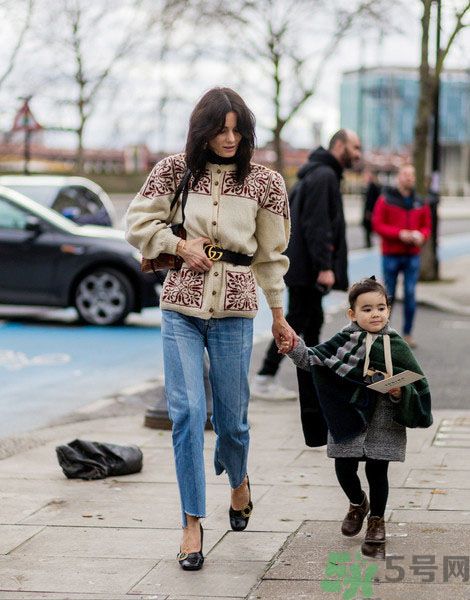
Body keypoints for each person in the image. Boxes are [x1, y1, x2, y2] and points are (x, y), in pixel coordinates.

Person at [125, 87, 296, 571]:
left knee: (233, 421)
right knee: (185, 414)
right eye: (220, 129)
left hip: (235, 312)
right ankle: (192, 522)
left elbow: (271, 257)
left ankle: (239, 481)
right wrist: (177, 247)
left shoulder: (266, 182)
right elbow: (137, 223)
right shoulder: (173, 170)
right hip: (180, 304)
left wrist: (279, 315)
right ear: (203, 129)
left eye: (237, 129)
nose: (229, 137)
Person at [279, 276, 432, 555]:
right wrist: (293, 346)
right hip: (347, 415)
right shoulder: (344, 340)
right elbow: (312, 360)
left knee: (377, 470)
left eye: (381, 307)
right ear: (352, 313)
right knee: (344, 467)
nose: (375, 314)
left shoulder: (396, 344)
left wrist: (400, 392)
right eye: (367, 309)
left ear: (388, 309)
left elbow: (419, 386)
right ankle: (358, 502)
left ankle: (377, 521)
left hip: (384, 418)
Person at [251, 130, 362, 427]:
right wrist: (325, 266)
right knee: (299, 320)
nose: (359, 153)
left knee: (310, 326)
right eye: (355, 147)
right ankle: (264, 377)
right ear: (338, 146)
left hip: (303, 265)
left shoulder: (318, 173)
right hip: (309, 268)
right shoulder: (324, 176)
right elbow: (317, 224)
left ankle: (312, 387)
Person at [372, 164, 432, 348]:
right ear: (399, 177)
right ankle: (383, 333)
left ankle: (407, 333)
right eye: (405, 174)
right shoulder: (385, 199)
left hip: (412, 255)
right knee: (387, 296)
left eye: (412, 175)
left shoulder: (420, 202)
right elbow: (377, 224)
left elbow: (427, 225)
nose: (409, 178)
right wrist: (400, 234)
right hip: (391, 254)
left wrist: (421, 235)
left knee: (410, 294)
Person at [361, 168, 381, 248]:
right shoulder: (369, 186)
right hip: (368, 211)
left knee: (369, 228)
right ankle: (368, 243)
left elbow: (373, 200)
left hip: (370, 211)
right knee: (367, 229)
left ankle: (369, 244)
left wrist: (370, 211)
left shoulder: (372, 186)